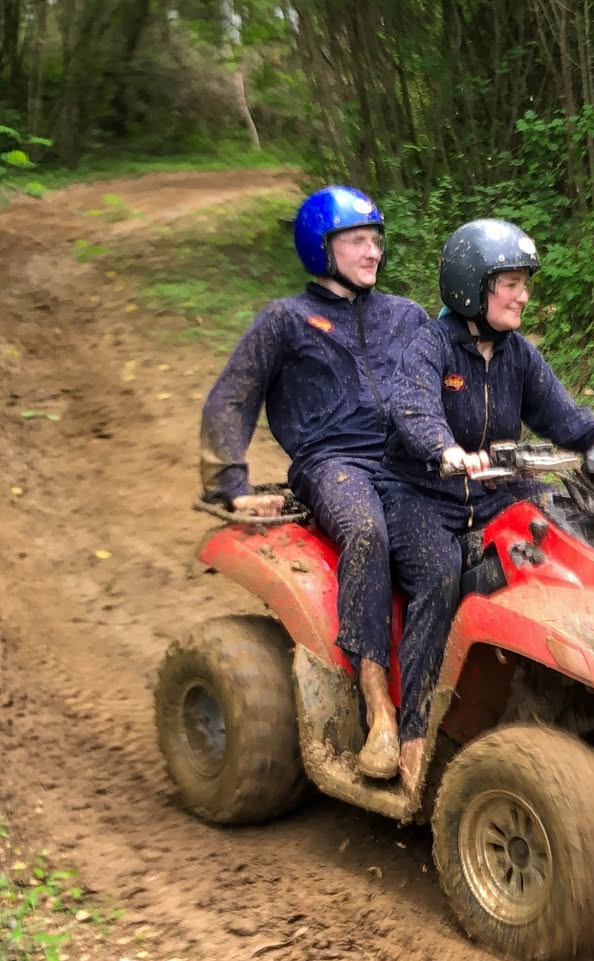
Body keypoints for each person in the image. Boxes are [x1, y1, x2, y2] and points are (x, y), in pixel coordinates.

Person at [380, 218, 594, 792]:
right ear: (472, 286)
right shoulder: (429, 345)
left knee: (572, 538)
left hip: (495, 491)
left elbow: (567, 421)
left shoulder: (516, 354)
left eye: (524, 284)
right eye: (510, 283)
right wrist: (445, 449)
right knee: (438, 577)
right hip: (422, 493)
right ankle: (414, 730)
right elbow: (413, 409)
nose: (523, 296)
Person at [199, 185, 427, 781]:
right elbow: (230, 399)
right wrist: (230, 483)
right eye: (357, 241)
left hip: (410, 460)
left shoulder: (406, 316)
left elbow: (452, 380)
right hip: (333, 463)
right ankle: (379, 711)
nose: (373, 252)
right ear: (322, 249)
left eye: (377, 240)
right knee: (366, 531)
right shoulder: (286, 321)